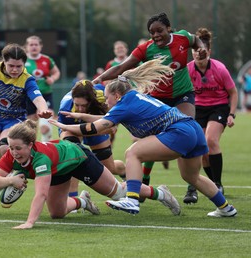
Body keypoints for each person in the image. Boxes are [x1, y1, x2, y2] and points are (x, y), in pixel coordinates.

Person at [51, 58, 237, 217]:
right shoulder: (132, 98)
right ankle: (225, 208)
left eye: (108, 98)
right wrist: (81, 116)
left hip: (179, 131)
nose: (107, 102)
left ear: (117, 95)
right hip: (193, 129)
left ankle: (131, 200)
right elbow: (106, 119)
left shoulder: (124, 104)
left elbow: (96, 127)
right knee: (191, 176)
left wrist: (64, 126)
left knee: (133, 152)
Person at [93, 12, 207, 204]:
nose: (156, 36)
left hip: (182, 94)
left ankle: (192, 186)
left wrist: (202, 48)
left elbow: (196, 41)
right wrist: (98, 79)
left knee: (189, 131)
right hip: (157, 98)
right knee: (150, 140)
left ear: (169, 28)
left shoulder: (182, 37)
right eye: (152, 32)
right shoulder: (146, 49)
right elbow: (121, 67)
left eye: (159, 31)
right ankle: (144, 179)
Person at [0, 120, 181, 229]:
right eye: (11, 148)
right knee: (56, 214)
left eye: (18, 148)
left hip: (79, 159)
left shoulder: (40, 159)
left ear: (30, 145)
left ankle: (161, 193)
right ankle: (83, 201)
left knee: (118, 194)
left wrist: (29, 222)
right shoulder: (11, 154)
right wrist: (10, 180)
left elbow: (40, 194)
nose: (14, 152)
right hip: (58, 169)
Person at [0, 43, 52, 216]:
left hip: (13, 120)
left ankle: (7, 184)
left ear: (24, 64)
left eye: (19, 66)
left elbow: (38, 97)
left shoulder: (27, 79)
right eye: (11, 66)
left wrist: (42, 109)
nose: (15, 70)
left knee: (5, 148)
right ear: (3, 62)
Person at [188, 27, 238, 196]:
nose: (197, 53)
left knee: (210, 140)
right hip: (198, 109)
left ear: (208, 51)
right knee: (201, 148)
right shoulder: (188, 70)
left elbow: (233, 93)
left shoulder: (219, 68)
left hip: (219, 107)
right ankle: (212, 184)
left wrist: (231, 114)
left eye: (201, 50)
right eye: (195, 50)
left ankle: (218, 184)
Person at [58, 80, 126, 200]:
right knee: (72, 156)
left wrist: (100, 128)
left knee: (110, 168)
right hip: (72, 128)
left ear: (92, 100)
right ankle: (73, 199)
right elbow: (64, 131)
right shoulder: (65, 108)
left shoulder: (103, 96)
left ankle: (124, 171)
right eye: (77, 105)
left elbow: (112, 126)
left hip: (96, 126)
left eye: (84, 105)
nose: (80, 109)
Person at [24, 35, 61, 142]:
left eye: (36, 44)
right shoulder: (22, 60)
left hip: (45, 95)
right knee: (30, 127)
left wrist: (52, 79)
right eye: (31, 45)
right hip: (28, 96)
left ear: (41, 46)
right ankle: (32, 149)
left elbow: (56, 72)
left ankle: (46, 148)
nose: (34, 47)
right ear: (26, 47)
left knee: (45, 126)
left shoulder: (47, 59)